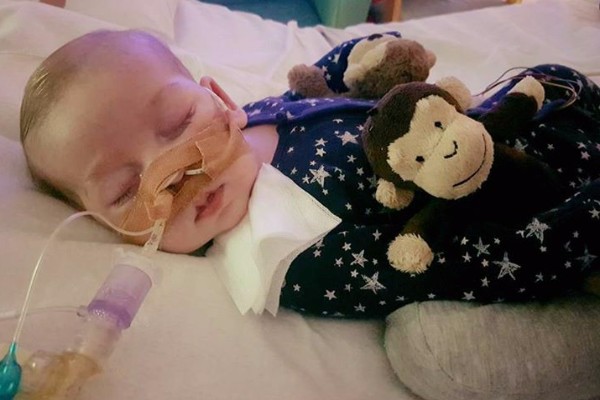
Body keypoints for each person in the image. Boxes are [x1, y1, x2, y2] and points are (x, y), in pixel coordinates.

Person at [20, 29, 600, 318]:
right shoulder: (289, 254)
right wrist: (579, 225)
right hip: (555, 180)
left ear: (220, 99)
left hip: (511, 107)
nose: (172, 174)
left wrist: (359, 57)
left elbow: (313, 93)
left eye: (177, 121)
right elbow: (458, 265)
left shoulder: (250, 120)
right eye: (126, 190)